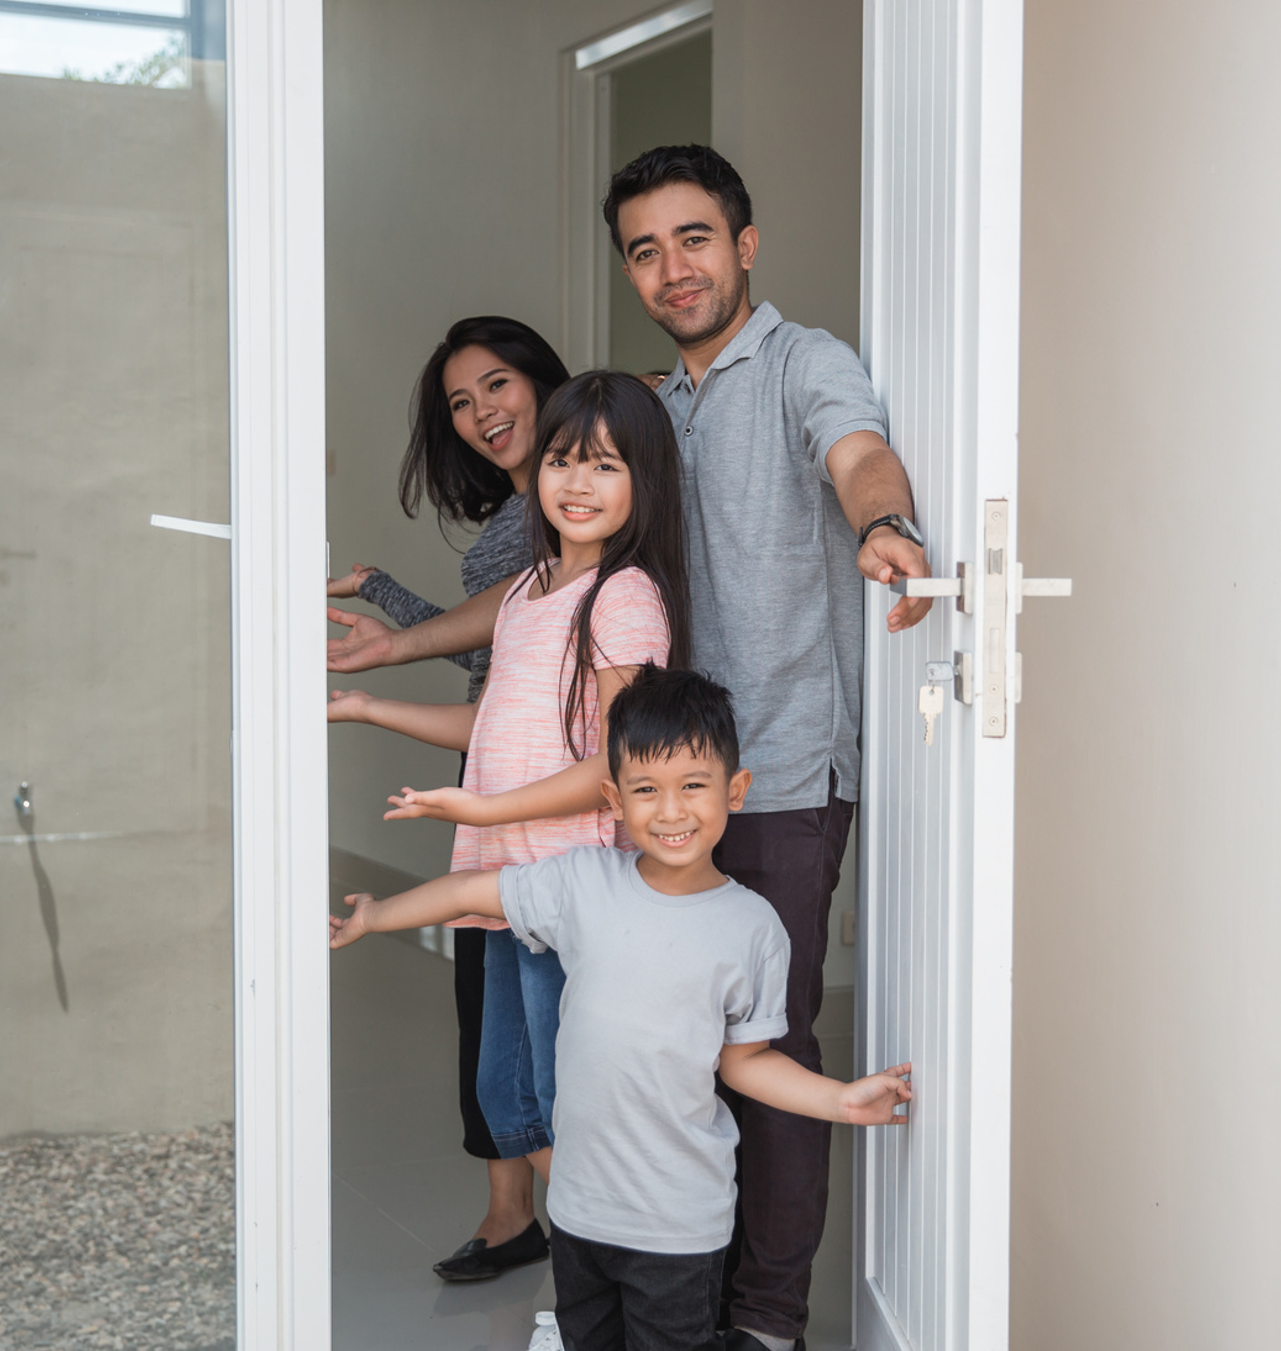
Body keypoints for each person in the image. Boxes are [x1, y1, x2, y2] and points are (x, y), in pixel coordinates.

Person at [599, 144, 933, 1351]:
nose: (673, 267)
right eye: (646, 249)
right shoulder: (656, 406)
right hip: (668, 787)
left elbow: (857, 451)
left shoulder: (805, 362)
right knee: (680, 1047)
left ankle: (766, 1324)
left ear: (744, 245)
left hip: (784, 778)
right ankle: (680, 1299)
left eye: (694, 238)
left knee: (769, 1050)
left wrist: (884, 521)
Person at [329, 664, 913, 1351]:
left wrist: (842, 1100)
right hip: (578, 1212)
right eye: (646, 790)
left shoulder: (752, 927)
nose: (670, 811)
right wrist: (377, 913)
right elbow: (469, 891)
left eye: (693, 786)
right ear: (613, 799)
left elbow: (747, 1064)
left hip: (677, 1226)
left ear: (736, 789)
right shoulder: (582, 884)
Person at [328, 371, 690, 1269]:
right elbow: (490, 724)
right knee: (510, 1096)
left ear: (643, 482)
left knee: (564, 1101)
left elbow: (618, 765)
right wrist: (368, 707)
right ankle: (591, 1273)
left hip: (568, 888)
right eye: (563, 460)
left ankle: (608, 1287)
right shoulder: (529, 591)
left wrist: (484, 805)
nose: (575, 481)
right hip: (509, 883)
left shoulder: (625, 597)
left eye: (604, 465)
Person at [327, 316, 569, 1281]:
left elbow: (491, 645)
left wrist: (383, 623)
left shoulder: (563, 508)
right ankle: (515, 1212)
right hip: (493, 772)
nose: (481, 414)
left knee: (522, 1017)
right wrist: (383, 601)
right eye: (461, 404)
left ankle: (574, 1232)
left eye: (497, 386)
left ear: (544, 381)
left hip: (534, 786)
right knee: (490, 1011)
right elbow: (489, 647)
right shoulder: (517, 510)